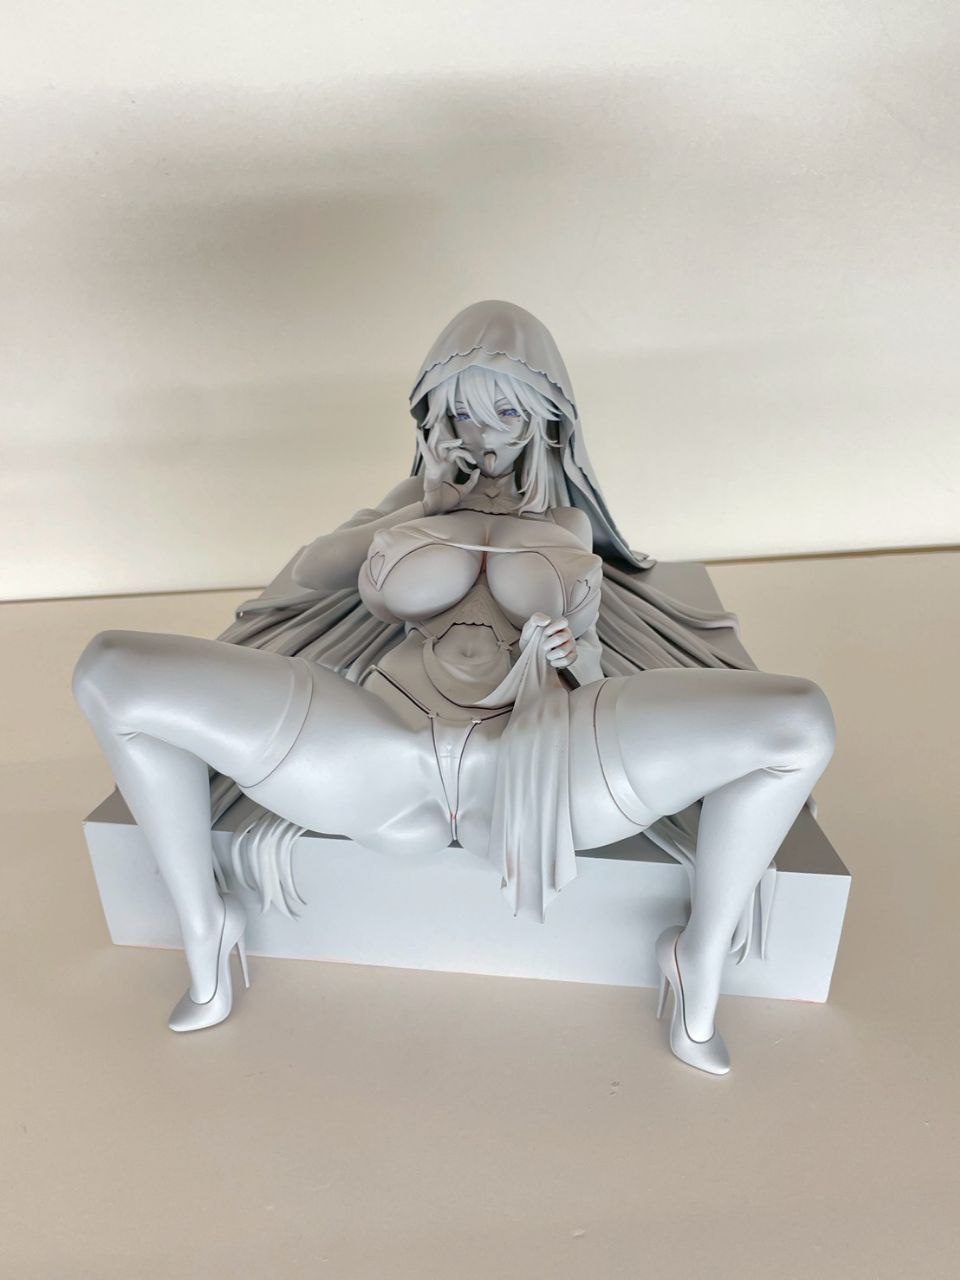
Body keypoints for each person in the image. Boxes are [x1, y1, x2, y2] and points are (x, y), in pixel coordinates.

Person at [72, 300, 835, 1075]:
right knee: (110, 669)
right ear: (434, 416)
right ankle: (205, 926)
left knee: (800, 722)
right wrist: (421, 509)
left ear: (549, 419)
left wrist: (569, 654)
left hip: (538, 771)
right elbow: (306, 576)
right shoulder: (409, 504)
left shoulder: (566, 525)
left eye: (507, 412)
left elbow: (592, 659)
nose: (485, 435)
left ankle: (698, 958)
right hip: (378, 749)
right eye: (464, 414)